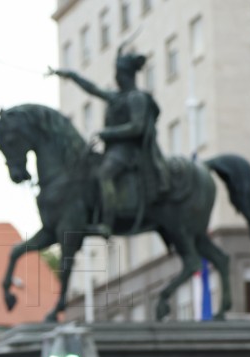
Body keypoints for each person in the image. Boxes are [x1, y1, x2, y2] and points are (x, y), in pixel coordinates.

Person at [49, 44, 169, 239]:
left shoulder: (136, 98)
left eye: (119, 73)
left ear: (127, 74)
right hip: (113, 150)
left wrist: (108, 133)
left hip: (129, 152)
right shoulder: (117, 97)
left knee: (105, 174)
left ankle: (107, 222)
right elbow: (93, 89)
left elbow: (137, 127)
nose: (116, 77)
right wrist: (70, 75)